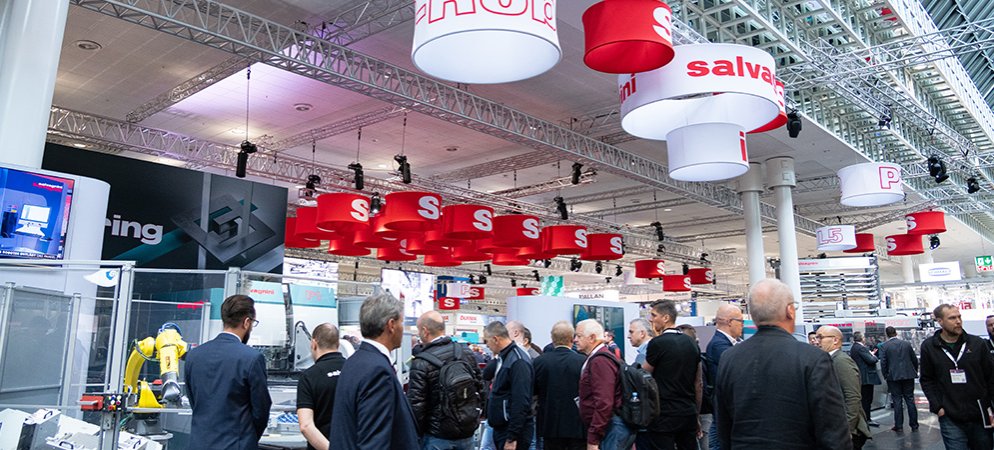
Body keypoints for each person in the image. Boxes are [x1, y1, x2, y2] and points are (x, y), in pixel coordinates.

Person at [714, 279, 850, 450]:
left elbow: (723, 426)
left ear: (754, 316)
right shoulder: (813, 359)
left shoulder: (729, 358)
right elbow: (833, 430)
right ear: (790, 311)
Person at [329, 294, 418, 450]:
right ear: (391, 325)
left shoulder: (354, 361)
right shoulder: (378, 371)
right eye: (402, 322)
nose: (403, 329)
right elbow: (374, 442)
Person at [184, 294, 272, 450]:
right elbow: (261, 410)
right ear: (246, 322)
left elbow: (194, 401)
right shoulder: (252, 358)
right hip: (237, 445)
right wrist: (248, 438)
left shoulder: (194, 356)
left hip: (199, 444)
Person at [921, 304, 994, 449]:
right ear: (940, 321)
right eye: (952, 318)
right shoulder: (929, 347)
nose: (958, 321)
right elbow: (927, 379)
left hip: (979, 413)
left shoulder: (977, 344)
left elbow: (991, 377)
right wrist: (938, 406)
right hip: (950, 415)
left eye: (959, 317)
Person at [408, 310, 483, 450]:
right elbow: (480, 387)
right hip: (467, 432)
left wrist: (415, 435)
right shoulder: (466, 353)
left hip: (437, 436)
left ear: (425, 331)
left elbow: (416, 405)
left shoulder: (421, 362)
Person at [642, 300, 701, 450]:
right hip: (687, 413)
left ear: (666, 318)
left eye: (654, 315)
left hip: (664, 414)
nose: (651, 319)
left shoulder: (657, 343)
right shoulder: (691, 343)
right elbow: (698, 383)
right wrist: (696, 413)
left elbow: (644, 375)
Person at [575, 319, 634, 450]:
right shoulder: (599, 358)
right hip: (609, 427)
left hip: (610, 428)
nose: (575, 340)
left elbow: (604, 402)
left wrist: (593, 438)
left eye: (579, 336)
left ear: (592, 338)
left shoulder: (600, 361)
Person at [815, 326, 872, 450]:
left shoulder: (841, 361)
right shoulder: (829, 359)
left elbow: (852, 396)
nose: (816, 341)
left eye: (820, 337)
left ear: (835, 340)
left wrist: (847, 430)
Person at [533, 321, 586, 450]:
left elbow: (534, 391)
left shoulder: (540, 362)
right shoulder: (582, 361)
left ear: (552, 338)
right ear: (572, 338)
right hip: (577, 425)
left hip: (549, 423)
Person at [483, 321, 534, 450]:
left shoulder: (518, 361)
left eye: (486, 341)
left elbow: (521, 401)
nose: (486, 345)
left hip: (511, 431)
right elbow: (487, 375)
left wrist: (512, 437)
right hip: (502, 427)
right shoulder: (503, 357)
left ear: (495, 339)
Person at [297, 323, 346, 450]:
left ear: (313, 344)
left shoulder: (309, 376)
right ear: (338, 344)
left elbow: (306, 425)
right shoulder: (355, 370)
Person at [704, 304, 744, 450]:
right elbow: (738, 369)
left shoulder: (729, 344)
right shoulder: (719, 345)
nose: (742, 325)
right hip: (724, 406)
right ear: (729, 321)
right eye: (740, 321)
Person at [880, 325, 919, 432]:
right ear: (896, 333)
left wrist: (886, 375)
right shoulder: (906, 344)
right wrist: (914, 371)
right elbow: (914, 359)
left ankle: (899, 425)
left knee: (897, 400)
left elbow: (883, 362)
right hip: (908, 375)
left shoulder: (885, 346)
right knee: (910, 399)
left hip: (893, 377)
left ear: (887, 335)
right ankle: (914, 425)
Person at [849, 331, 881, 427]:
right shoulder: (861, 348)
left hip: (860, 377)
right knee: (867, 399)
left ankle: (865, 418)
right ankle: (867, 419)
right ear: (862, 338)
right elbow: (871, 360)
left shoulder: (854, 347)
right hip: (866, 378)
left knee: (864, 399)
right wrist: (873, 355)